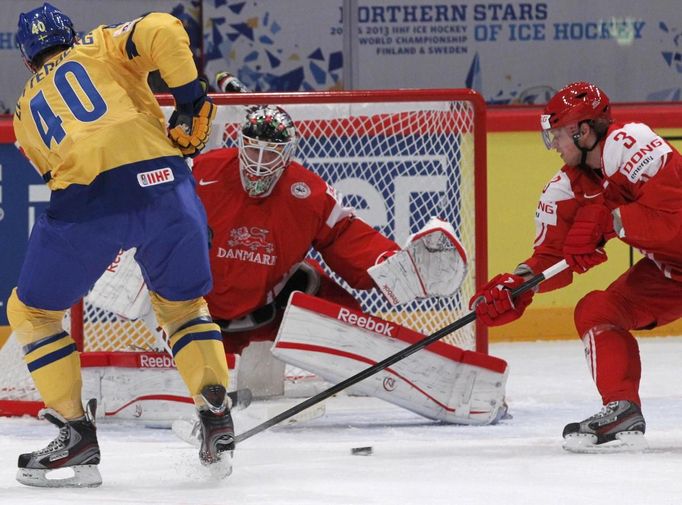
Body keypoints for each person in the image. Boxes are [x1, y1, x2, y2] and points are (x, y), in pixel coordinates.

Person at [9, 4, 234, 486]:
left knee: (32, 313)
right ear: (72, 34)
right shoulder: (102, 44)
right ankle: (214, 408)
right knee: (183, 309)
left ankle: (75, 433)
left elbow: (56, 172)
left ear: (28, 59)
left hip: (89, 203)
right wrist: (191, 101)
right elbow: (163, 27)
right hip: (169, 190)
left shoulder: (26, 108)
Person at [470, 81, 682, 452]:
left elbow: (675, 219)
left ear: (583, 131)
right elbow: (550, 258)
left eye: (557, 136)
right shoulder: (567, 188)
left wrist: (611, 220)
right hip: (671, 272)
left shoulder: (628, 142)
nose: (554, 146)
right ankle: (622, 409)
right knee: (598, 310)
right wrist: (519, 285)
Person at [191, 103, 401, 355]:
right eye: (252, 149)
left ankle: (365, 352)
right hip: (200, 318)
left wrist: (389, 265)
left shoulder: (309, 194)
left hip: (270, 312)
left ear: (288, 153)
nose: (258, 163)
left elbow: (343, 235)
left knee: (333, 302)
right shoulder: (201, 171)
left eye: (270, 153)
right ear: (240, 143)